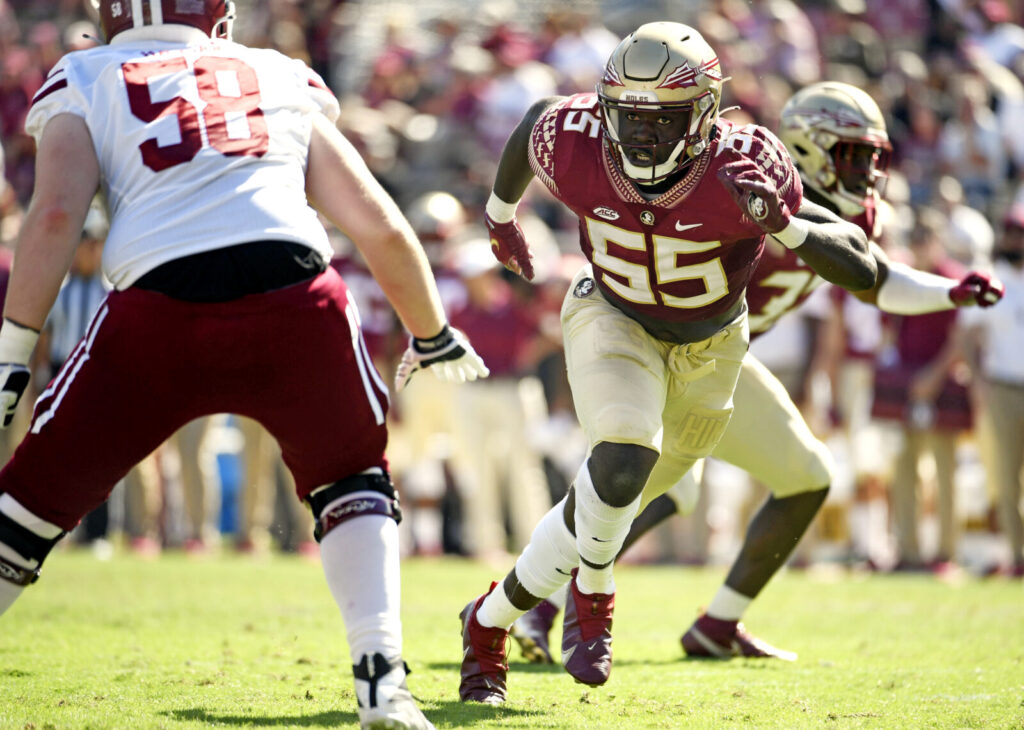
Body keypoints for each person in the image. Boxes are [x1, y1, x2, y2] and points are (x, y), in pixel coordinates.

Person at [0, 3, 488, 730]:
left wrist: (12, 353)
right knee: (351, 479)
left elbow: (53, 218)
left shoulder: (88, 73)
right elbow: (377, 220)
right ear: (218, 17)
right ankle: (382, 679)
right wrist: (433, 332)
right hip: (294, 297)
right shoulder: (277, 71)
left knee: (29, 506)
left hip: (158, 310)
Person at [506, 80, 1004, 667]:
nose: (866, 170)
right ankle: (530, 606)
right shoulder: (743, 191)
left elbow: (875, 279)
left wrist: (950, 292)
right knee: (641, 485)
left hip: (723, 362)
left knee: (802, 476)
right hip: (671, 352)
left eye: (870, 156)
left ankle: (715, 624)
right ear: (811, 147)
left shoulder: (811, 212)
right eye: (852, 154)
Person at [458, 23, 879, 705]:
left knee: (626, 498)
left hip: (712, 350)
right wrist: (501, 217)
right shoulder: (576, 139)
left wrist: (784, 224)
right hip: (612, 315)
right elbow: (535, 126)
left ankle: (491, 619)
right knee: (621, 464)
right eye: (628, 115)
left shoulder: (745, 163)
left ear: (707, 113)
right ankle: (587, 594)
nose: (643, 135)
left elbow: (862, 269)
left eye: (665, 118)